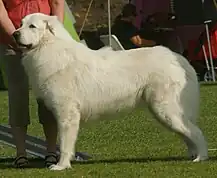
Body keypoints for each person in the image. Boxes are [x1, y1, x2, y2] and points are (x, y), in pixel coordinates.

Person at [0, 0, 65, 168]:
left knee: (48, 96)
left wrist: (56, 36)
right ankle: (21, 154)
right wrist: (16, 38)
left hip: (44, 42)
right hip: (10, 41)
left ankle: (51, 151)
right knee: (18, 95)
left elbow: (57, 4)